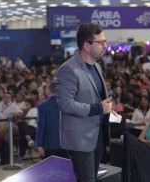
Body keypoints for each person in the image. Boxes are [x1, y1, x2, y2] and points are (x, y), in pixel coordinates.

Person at [56, 23, 117, 182]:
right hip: (80, 138)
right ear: (87, 45)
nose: (105, 46)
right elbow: (65, 104)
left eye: (105, 41)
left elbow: (95, 99)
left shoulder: (97, 66)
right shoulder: (68, 69)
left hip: (98, 135)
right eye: (101, 42)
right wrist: (98, 108)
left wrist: (107, 109)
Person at [37, 81, 69, 159]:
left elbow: (41, 126)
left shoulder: (43, 105)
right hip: (68, 144)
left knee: (49, 170)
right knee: (66, 169)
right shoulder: (68, 104)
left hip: (50, 145)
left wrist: (39, 144)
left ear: (48, 91)